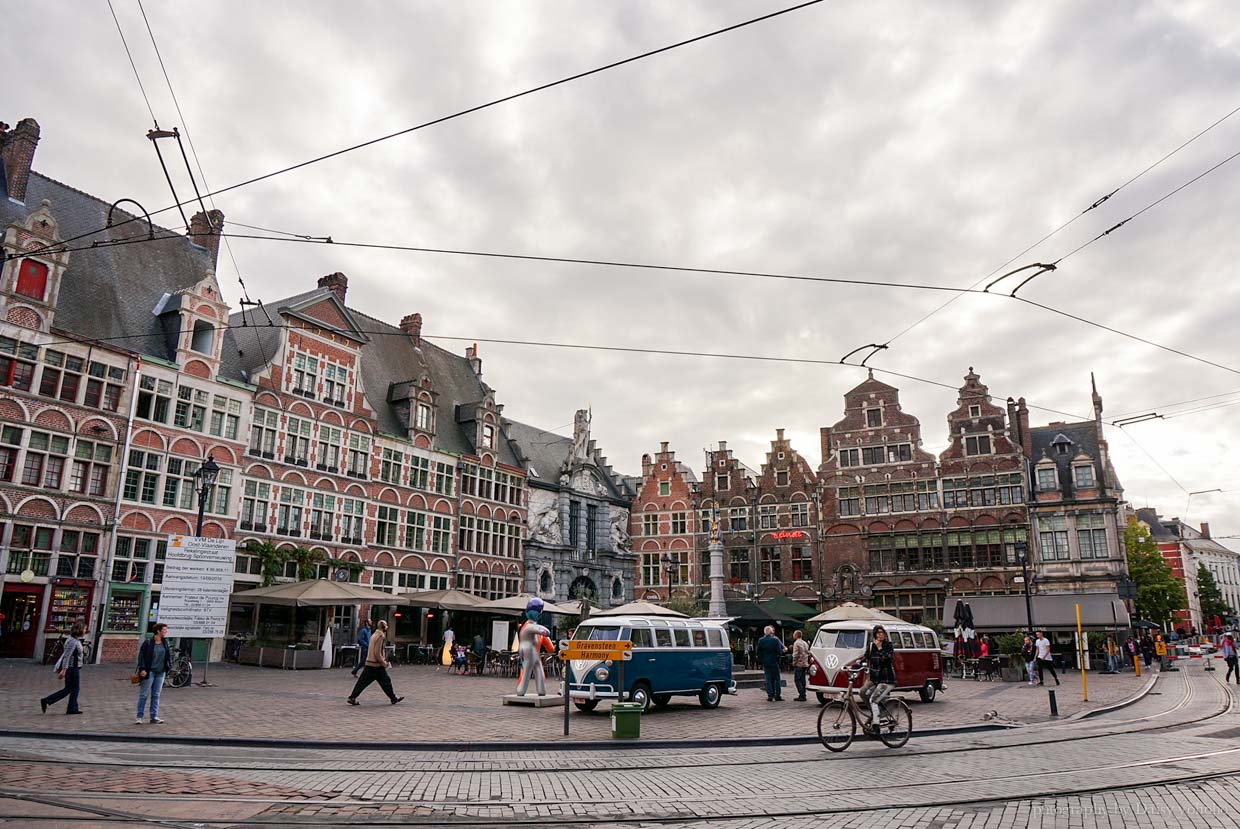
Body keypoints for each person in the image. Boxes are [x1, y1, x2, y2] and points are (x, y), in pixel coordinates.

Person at [347, 619, 403, 706]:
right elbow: (377, 652)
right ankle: (393, 698)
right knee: (386, 681)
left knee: (362, 682)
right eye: (386, 626)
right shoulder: (380, 636)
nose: (387, 627)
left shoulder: (374, 634)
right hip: (376, 665)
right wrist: (383, 662)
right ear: (383, 627)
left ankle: (352, 697)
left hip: (370, 663)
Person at [40, 622, 84, 715]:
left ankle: (47, 700)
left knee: (68, 689)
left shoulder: (74, 640)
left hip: (73, 667)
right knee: (75, 688)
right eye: (84, 629)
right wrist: (64, 670)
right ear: (79, 630)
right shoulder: (73, 641)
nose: (84, 630)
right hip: (73, 668)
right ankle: (72, 708)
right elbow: (66, 656)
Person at [135, 622, 173, 724]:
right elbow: (141, 656)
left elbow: (168, 656)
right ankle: (139, 716)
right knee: (144, 694)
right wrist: (142, 669)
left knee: (156, 694)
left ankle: (154, 716)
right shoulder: (148, 643)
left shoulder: (165, 643)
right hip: (149, 671)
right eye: (164, 630)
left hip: (160, 672)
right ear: (158, 631)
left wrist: (168, 666)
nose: (166, 632)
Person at [863, 625, 896, 729]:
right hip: (875, 679)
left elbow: (887, 659)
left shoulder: (888, 645)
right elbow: (865, 658)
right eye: (878, 633)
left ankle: (876, 723)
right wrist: (852, 666)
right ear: (874, 635)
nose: (880, 635)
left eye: (882, 633)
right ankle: (875, 712)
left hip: (886, 680)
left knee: (873, 699)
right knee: (863, 692)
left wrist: (879, 648)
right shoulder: (872, 645)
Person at [756, 625, 786, 702]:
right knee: (777, 678)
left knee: (768, 678)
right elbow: (779, 651)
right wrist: (777, 657)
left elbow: (758, 652)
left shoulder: (761, 640)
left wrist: (762, 660)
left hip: (766, 661)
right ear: (771, 631)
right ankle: (777, 695)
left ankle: (770, 695)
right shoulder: (775, 640)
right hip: (774, 661)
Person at [791, 629, 810, 701]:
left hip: (799, 663)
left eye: (794, 634)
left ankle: (801, 694)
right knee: (802, 679)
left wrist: (794, 662)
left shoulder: (796, 643)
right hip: (805, 663)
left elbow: (795, 654)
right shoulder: (805, 643)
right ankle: (803, 693)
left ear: (796, 635)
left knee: (797, 679)